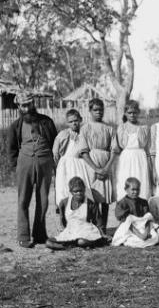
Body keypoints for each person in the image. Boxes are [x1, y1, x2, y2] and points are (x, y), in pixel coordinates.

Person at [7, 92, 58, 248]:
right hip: (25, 164)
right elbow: (12, 148)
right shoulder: (16, 125)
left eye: (29, 104)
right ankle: (23, 236)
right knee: (23, 199)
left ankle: (40, 234)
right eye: (23, 106)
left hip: (45, 163)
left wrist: (55, 166)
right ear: (19, 107)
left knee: (43, 200)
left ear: (33, 104)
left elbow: (55, 145)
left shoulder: (46, 122)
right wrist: (17, 166)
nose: (26, 108)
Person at [79, 98, 116, 235]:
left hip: (106, 161)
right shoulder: (85, 128)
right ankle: (94, 227)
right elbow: (84, 152)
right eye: (95, 110)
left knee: (105, 198)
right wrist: (96, 168)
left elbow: (114, 150)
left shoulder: (109, 128)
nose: (98, 112)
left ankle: (104, 228)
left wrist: (106, 168)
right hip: (91, 163)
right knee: (91, 195)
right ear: (90, 111)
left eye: (101, 110)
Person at [46, 177, 107, 250]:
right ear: (71, 191)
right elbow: (62, 222)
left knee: (82, 242)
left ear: (84, 190)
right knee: (48, 242)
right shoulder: (64, 203)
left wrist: (102, 234)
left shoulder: (90, 204)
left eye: (81, 191)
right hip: (71, 231)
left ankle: (77, 244)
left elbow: (98, 221)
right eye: (76, 191)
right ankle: (70, 245)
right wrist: (65, 232)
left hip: (85, 230)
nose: (79, 193)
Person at [53, 108, 94, 210]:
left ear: (80, 119)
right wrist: (59, 163)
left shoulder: (84, 134)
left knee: (80, 186)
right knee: (64, 187)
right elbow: (56, 151)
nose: (74, 123)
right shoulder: (63, 135)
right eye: (71, 122)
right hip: (65, 164)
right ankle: (64, 210)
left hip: (80, 164)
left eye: (76, 120)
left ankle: (82, 210)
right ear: (67, 123)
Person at [112, 100, 152, 202]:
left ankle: (141, 204)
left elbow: (146, 145)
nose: (132, 115)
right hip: (126, 156)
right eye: (129, 113)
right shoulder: (122, 128)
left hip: (139, 156)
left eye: (134, 112)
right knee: (125, 177)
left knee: (140, 177)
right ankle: (125, 204)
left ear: (138, 112)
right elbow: (120, 145)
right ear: (125, 113)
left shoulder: (143, 127)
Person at [111, 177, 159, 248]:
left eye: (137, 189)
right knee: (133, 239)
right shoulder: (122, 203)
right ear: (126, 189)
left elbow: (147, 218)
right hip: (130, 228)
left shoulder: (143, 202)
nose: (135, 192)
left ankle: (143, 239)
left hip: (142, 226)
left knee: (155, 237)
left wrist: (146, 233)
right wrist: (140, 235)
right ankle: (134, 241)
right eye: (133, 190)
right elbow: (126, 222)